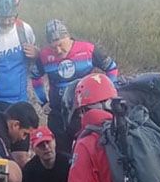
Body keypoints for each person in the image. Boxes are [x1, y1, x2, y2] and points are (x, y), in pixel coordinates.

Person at [31, 19, 119, 152]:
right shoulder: (44, 55)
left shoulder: (88, 49)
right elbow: (35, 77)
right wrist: (43, 101)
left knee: (90, 147)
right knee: (61, 153)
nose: (58, 50)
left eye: (61, 44)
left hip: (84, 111)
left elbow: (111, 68)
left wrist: (109, 95)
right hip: (58, 112)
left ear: (68, 37)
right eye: (53, 47)